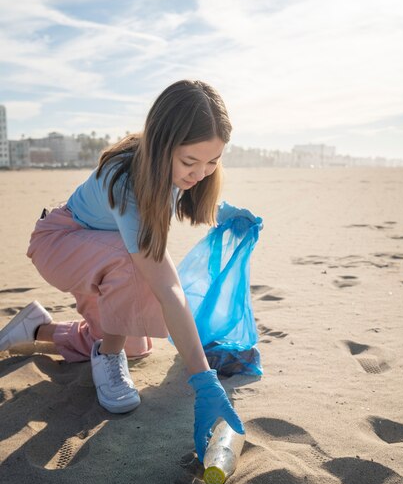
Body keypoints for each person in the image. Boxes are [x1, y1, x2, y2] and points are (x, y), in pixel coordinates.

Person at [0, 79, 248, 462]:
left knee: (135, 340)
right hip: (60, 242)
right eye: (190, 162)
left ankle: (36, 329)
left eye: (213, 161)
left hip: (98, 252)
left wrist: (226, 213)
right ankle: (106, 354)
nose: (201, 173)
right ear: (163, 145)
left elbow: (185, 200)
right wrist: (204, 380)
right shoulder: (127, 179)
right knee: (140, 274)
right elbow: (167, 287)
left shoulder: (175, 169)